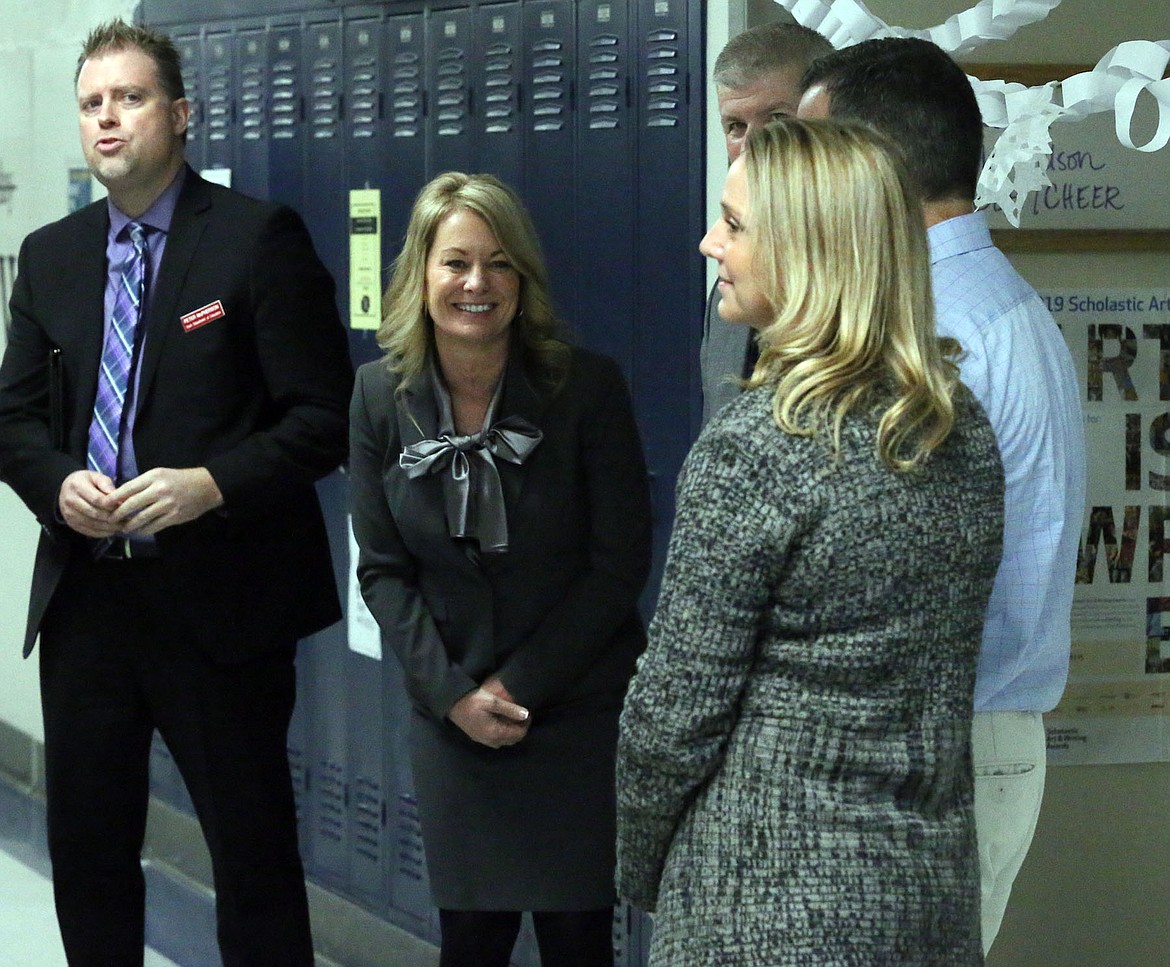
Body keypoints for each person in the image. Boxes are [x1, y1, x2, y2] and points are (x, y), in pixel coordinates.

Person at [0, 19, 353, 966]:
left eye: (131, 97)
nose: (108, 118)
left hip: (220, 604)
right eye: (92, 103)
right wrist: (57, 483)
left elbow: (325, 415)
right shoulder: (51, 255)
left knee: (252, 857)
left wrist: (211, 485)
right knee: (88, 853)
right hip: (90, 606)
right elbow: (12, 419)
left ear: (181, 114)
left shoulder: (255, 241)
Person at [615, 119, 1005, 965]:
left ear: (809, 250)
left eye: (737, 224)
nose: (708, 240)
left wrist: (645, 869)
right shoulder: (957, 429)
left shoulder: (755, 448)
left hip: (758, 897)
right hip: (923, 896)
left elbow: (672, 712)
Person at [798, 38, 1087, 953]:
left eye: (815, 156)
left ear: (871, 169)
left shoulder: (937, 332)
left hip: (935, 744)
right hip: (968, 739)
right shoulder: (990, 305)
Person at [349, 171, 652, 967]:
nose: (476, 283)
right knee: (471, 941)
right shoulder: (379, 398)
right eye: (455, 262)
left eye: (499, 263)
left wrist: (517, 686)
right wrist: (454, 696)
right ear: (421, 273)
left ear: (524, 278)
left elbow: (617, 564)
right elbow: (381, 569)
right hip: (452, 719)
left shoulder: (587, 390)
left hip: (573, 712)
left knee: (579, 936)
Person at [700, 21, 832, 426]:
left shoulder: (865, 278)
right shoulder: (728, 289)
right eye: (736, 127)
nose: (752, 146)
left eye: (777, 118)